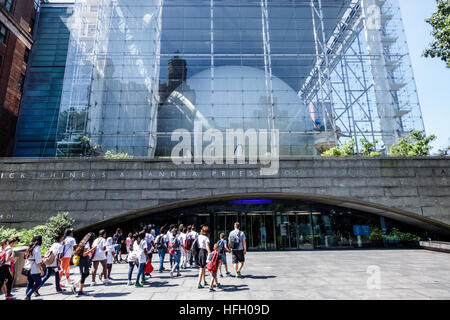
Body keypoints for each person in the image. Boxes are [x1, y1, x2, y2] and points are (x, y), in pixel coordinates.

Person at [74, 232, 97, 296]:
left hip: (82, 260)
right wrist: (92, 249)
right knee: (84, 275)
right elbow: (84, 254)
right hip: (83, 260)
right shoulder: (86, 244)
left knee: (86, 273)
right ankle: (80, 291)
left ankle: (77, 284)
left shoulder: (83, 242)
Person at [24, 235, 44, 300]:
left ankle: (27, 297)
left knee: (30, 282)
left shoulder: (30, 247)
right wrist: (41, 269)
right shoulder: (37, 248)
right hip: (34, 267)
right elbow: (38, 261)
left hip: (28, 266)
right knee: (39, 282)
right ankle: (28, 295)